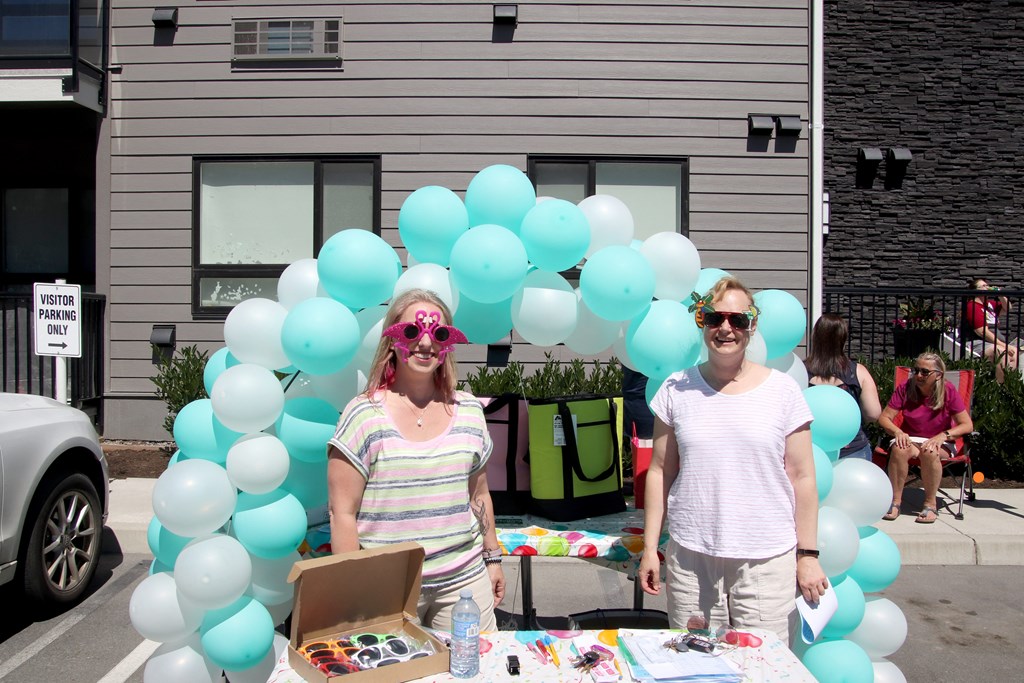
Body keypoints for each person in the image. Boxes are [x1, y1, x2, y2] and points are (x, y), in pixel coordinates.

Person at [636, 276, 827, 645]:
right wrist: (649, 549)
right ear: (701, 322)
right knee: (695, 663)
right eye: (714, 318)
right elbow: (660, 471)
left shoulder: (783, 390)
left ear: (751, 326)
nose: (726, 328)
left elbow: (803, 477)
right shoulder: (676, 388)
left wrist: (808, 555)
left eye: (737, 320)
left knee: (761, 668)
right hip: (692, 560)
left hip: (767, 563)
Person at [327, 288, 505, 630]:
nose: (425, 343)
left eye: (437, 333)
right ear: (392, 340)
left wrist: (492, 558)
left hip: (464, 583)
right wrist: (351, 591)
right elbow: (342, 513)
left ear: (448, 342)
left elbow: (478, 495)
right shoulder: (364, 415)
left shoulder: (468, 410)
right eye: (412, 331)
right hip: (385, 587)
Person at [879, 352, 973, 524]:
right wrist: (897, 432)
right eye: (916, 370)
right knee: (899, 449)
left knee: (929, 451)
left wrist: (942, 436)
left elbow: (967, 425)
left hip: (939, 441)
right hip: (910, 438)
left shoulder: (948, 390)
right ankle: (895, 502)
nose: (918, 375)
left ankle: (930, 505)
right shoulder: (906, 388)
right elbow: (884, 418)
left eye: (924, 372)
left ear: (938, 375)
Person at [805, 314, 882, 460]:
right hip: (853, 449)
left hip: (810, 451)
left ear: (815, 337)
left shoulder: (801, 372)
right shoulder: (857, 371)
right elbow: (873, 414)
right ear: (843, 340)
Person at [965, 278, 1019, 383]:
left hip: (993, 342)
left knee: (1015, 352)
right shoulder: (972, 306)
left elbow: (1008, 308)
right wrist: (1004, 345)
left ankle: (1010, 385)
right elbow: (981, 332)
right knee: (1000, 351)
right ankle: (999, 386)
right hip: (977, 341)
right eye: (984, 286)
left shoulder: (989, 305)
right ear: (975, 291)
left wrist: (1000, 295)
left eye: (987, 285)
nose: (987, 287)